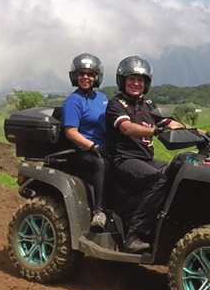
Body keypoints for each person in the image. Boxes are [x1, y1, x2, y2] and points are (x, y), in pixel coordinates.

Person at [105, 56, 183, 253]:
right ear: (122, 80)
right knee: (159, 181)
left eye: (140, 80)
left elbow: (170, 123)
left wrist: (202, 134)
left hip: (145, 160)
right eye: (131, 79)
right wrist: (154, 131)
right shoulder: (116, 104)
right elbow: (127, 128)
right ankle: (135, 235)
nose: (136, 83)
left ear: (146, 83)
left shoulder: (147, 105)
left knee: (178, 172)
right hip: (123, 160)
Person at [62, 53, 110, 231]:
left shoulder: (102, 98)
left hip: (105, 147)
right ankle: (99, 212)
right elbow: (71, 132)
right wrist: (93, 146)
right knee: (102, 164)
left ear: (96, 77)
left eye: (90, 74)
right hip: (83, 152)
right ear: (75, 76)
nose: (85, 77)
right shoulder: (74, 101)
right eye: (81, 73)